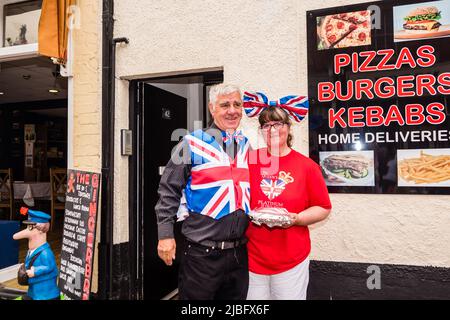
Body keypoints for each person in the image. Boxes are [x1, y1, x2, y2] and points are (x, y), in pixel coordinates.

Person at [155, 83, 251, 300]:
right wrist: (165, 236)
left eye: (237, 104)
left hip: (239, 255)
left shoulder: (246, 145)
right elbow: (168, 189)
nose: (232, 110)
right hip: (202, 255)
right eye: (225, 105)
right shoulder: (191, 143)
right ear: (212, 108)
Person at [243, 91, 332, 300]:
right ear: (261, 130)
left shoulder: (307, 166)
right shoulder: (248, 161)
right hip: (251, 258)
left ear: (288, 128)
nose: (272, 130)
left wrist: (297, 219)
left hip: (291, 258)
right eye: (266, 125)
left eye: (278, 124)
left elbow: (323, 207)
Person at [13, 207, 60, 300]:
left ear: (40, 229)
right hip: (35, 289)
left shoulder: (45, 252)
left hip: (45, 293)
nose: (27, 231)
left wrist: (35, 271)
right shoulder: (32, 250)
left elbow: (50, 266)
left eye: (30, 227)